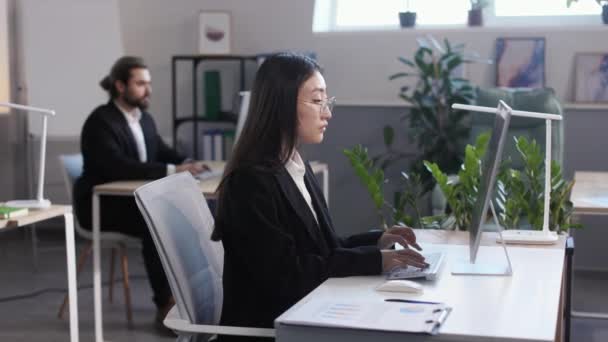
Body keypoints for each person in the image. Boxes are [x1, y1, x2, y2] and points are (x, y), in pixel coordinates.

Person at [211, 53, 428, 342]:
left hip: (306, 312)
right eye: (317, 101)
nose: (327, 113)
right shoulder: (249, 183)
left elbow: (324, 249)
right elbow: (287, 276)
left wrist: (378, 240)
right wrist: (378, 261)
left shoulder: (295, 165)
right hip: (274, 329)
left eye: (327, 101)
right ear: (282, 105)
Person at [73, 56, 208, 334]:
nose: (148, 90)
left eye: (148, 83)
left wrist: (190, 161)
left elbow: (162, 150)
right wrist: (173, 168)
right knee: (157, 223)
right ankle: (165, 305)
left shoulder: (143, 118)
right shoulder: (100, 121)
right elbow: (116, 165)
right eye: (141, 84)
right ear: (120, 86)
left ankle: (192, 298)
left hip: (131, 201)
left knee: (188, 216)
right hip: (101, 207)